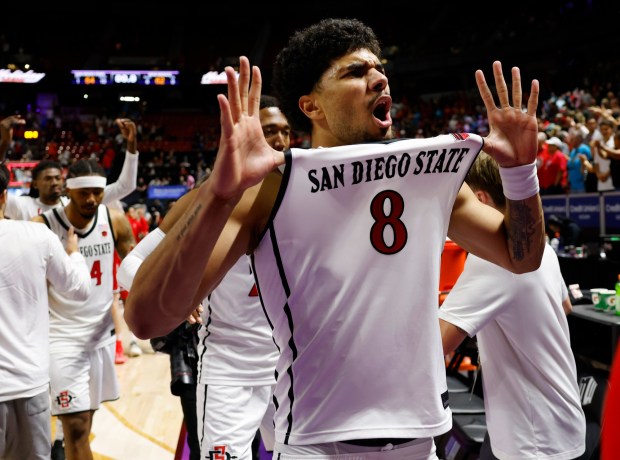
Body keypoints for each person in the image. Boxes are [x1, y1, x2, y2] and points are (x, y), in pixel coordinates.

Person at [124, 18, 545, 460]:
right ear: (312, 106)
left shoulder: (429, 175)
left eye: (379, 68)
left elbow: (523, 257)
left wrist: (520, 173)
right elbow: (148, 319)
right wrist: (217, 194)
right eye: (355, 72)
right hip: (316, 445)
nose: (379, 77)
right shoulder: (270, 187)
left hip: (421, 444)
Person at [118, 94, 289, 460]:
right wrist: (179, 299)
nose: (279, 141)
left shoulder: (305, 198)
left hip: (292, 365)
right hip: (229, 366)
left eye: (286, 132)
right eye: (269, 131)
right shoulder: (201, 200)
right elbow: (129, 267)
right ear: (244, 136)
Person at [438, 152, 586, 460]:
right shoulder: (539, 244)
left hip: (532, 440)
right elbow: (566, 307)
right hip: (558, 420)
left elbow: (437, 344)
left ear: (480, 198)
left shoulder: (490, 260)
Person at [32, 158, 136, 460]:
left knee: (85, 425)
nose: (91, 199)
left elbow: (137, 267)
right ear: (69, 190)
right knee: (75, 428)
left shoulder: (114, 219)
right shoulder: (44, 226)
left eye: (97, 192)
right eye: (83, 193)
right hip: (61, 338)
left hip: (101, 337)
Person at [0, 164, 91, 460]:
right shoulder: (37, 235)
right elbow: (79, 290)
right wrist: (75, 254)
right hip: (29, 385)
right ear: (4, 197)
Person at [2, 117, 140, 221]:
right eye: (48, 178)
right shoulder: (21, 205)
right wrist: (4, 145)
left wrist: (131, 144)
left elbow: (125, 186)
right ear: (35, 183)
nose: (55, 182)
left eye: (58, 178)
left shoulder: (74, 202)